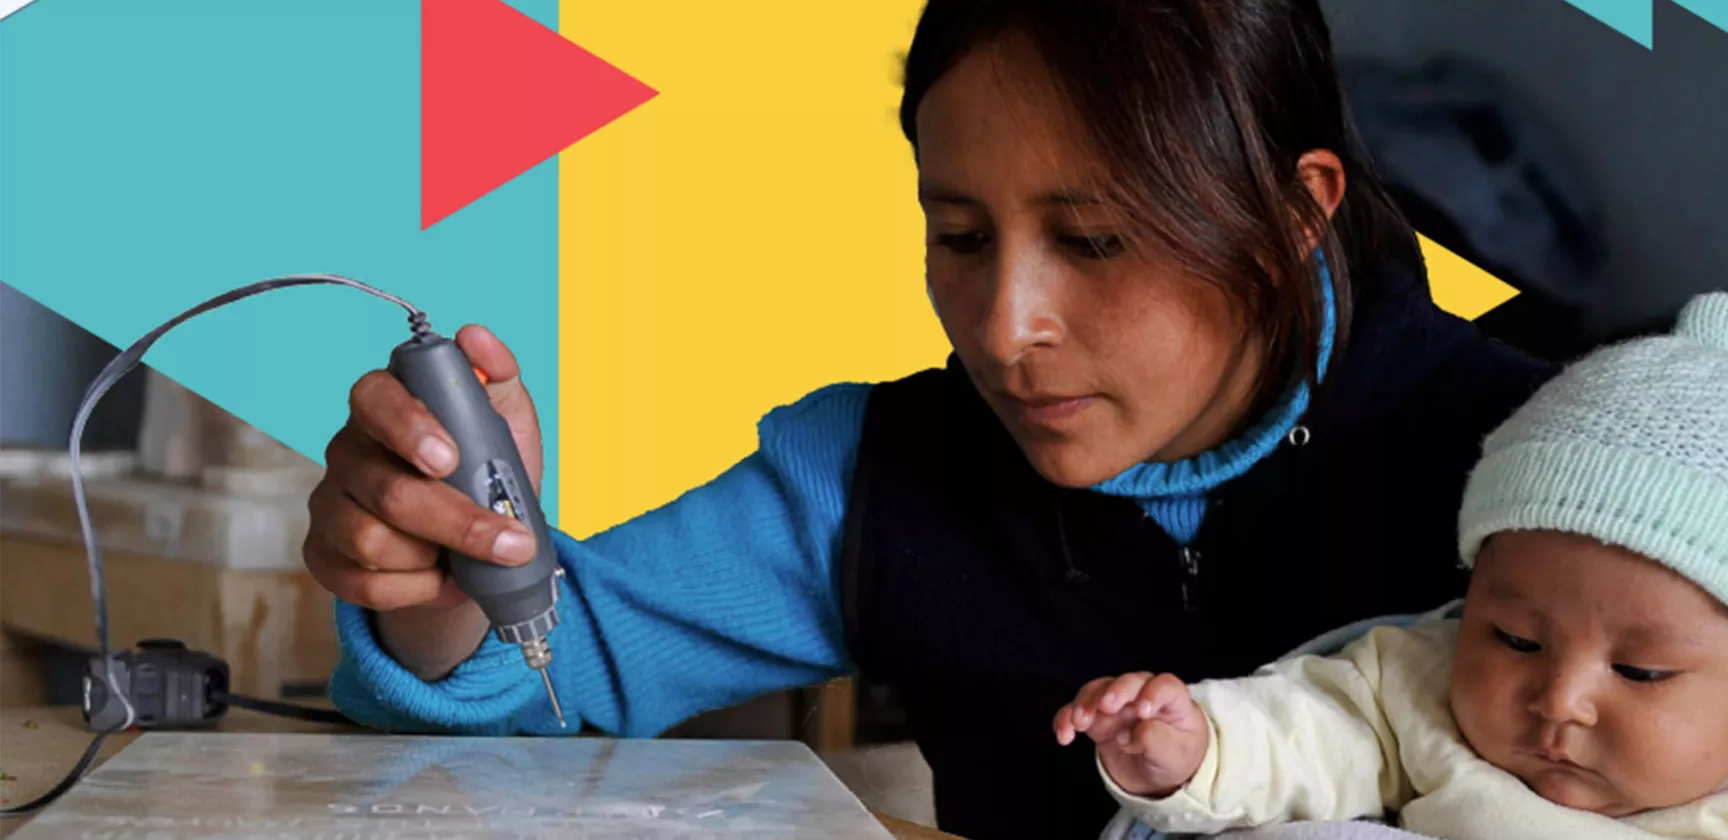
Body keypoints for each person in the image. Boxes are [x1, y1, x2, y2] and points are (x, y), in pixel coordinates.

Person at [303, 1, 1552, 837]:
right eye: (957, 236)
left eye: (1095, 240)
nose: (1004, 329)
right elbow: (540, 693)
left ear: (1292, 214)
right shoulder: (872, 478)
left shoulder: (1550, 470)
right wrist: (448, 584)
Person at [1057, 293, 1728, 839]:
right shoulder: (1417, 690)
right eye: (1512, 635)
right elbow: (1307, 733)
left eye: (1641, 670)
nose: (1560, 699)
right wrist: (1188, 747)